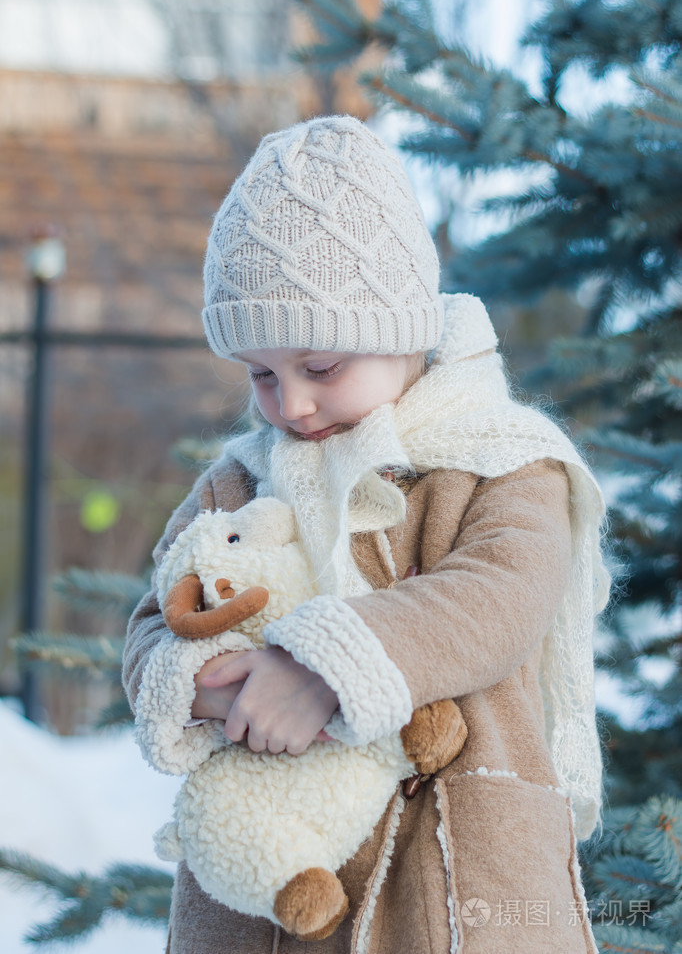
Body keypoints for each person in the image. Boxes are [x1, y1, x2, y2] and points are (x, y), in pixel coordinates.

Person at [123, 114, 610, 954]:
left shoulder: (502, 465)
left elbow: (499, 596)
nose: (292, 404)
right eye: (262, 376)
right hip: (273, 887)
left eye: (319, 367)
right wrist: (210, 680)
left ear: (400, 330)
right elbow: (149, 629)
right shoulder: (238, 482)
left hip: (463, 881)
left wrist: (321, 669)